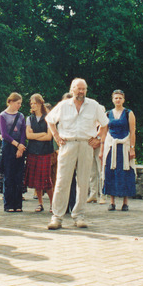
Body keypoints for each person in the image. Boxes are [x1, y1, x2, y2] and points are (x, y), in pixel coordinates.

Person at [46, 78, 108, 230]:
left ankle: (79, 216)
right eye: (78, 89)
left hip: (86, 144)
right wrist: (56, 136)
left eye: (84, 89)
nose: (81, 91)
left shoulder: (94, 105)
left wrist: (99, 139)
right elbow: (50, 120)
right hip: (67, 144)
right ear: (72, 89)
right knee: (61, 181)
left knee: (83, 182)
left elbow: (105, 124)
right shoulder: (63, 106)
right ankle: (57, 217)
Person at [101, 89, 136, 211]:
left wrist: (132, 148)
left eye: (120, 98)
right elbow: (103, 133)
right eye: (116, 98)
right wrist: (101, 151)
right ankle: (112, 201)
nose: (118, 100)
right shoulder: (107, 114)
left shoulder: (128, 113)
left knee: (125, 172)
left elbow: (132, 131)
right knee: (111, 172)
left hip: (124, 146)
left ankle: (125, 202)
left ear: (123, 99)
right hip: (111, 146)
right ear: (112, 99)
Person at [24, 94, 54, 212]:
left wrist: (34, 136)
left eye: (34, 103)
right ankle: (40, 203)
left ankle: (53, 204)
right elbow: (28, 136)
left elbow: (49, 137)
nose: (32, 105)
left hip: (45, 151)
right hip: (33, 151)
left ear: (40, 103)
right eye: (31, 103)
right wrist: (41, 134)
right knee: (37, 179)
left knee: (46, 179)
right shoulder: (29, 118)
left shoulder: (48, 118)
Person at [0, 93, 27, 212]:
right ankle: (8, 204)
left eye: (20, 103)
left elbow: (23, 132)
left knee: (18, 176)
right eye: (18, 103)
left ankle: (18, 204)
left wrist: (21, 147)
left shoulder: (21, 116)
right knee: (9, 176)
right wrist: (17, 144)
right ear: (10, 102)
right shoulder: (3, 115)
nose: (19, 106)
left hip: (19, 146)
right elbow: (4, 134)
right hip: (9, 147)